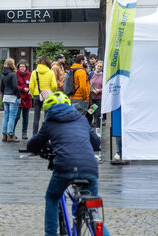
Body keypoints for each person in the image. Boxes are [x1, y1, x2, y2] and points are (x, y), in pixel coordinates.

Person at [27, 92, 109, 236]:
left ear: (48, 110)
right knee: (93, 210)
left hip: (65, 166)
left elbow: (33, 145)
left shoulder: (49, 122)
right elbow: (96, 143)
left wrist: (47, 145)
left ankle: (51, 233)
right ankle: (94, 222)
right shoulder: (81, 119)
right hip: (89, 167)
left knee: (52, 197)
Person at [29, 56, 57, 135]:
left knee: (36, 117)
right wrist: (52, 92)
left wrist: (32, 95)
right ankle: (45, 134)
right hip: (47, 96)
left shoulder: (34, 72)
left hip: (37, 95)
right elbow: (54, 86)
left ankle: (35, 134)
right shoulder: (50, 72)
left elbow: (31, 86)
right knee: (47, 116)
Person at [0, 58, 20, 143]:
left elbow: (1, 87)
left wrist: (5, 93)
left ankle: (4, 135)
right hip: (12, 97)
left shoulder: (2, 74)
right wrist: (18, 96)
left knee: (6, 116)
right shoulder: (13, 74)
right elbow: (15, 87)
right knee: (12, 116)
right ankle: (10, 135)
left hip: (5, 97)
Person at [14, 59, 32, 140]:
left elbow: (32, 84)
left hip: (27, 98)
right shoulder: (15, 74)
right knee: (17, 116)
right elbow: (15, 85)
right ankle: (12, 132)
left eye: (23, 66)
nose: (22, 68)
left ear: (26, 67)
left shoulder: (29, 74)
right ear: (18, 67)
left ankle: (24, 132)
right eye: (20, 66)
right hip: (19, 97)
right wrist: (22, 89)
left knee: (26, 117)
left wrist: (31, 89)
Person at [89, 60, 104, 130]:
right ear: (95, 66)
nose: (99, 67)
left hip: (98, 98)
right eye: (98, 66)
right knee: (90, 113)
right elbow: (87, 85)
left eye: (101, 67)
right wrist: (92, 89)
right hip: (91, 99)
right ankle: (89, 128)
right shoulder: (91, 74)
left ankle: (98, 130)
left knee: (98, 114)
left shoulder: (103, 76)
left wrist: (99, 90)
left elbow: (106, 88)